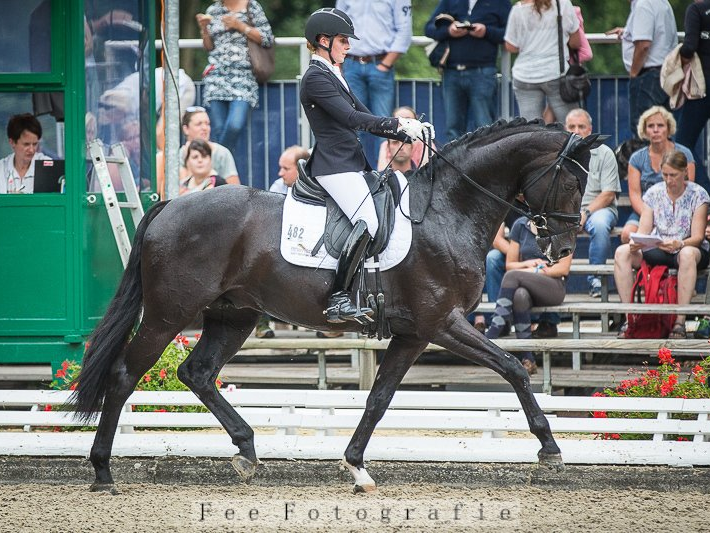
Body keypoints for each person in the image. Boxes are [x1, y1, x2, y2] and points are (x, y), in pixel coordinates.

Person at [301, 8, 428, 324]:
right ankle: (338, 297)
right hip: (334, 166)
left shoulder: (334, 73)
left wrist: (405, 130)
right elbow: (352, 119)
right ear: (324, 40)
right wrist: (398, 124)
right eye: (343, 40)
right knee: (367, 221)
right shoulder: (315, 77)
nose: (348, 47)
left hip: (350, 162)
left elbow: (365, 113)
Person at [614, 151, 709, 339]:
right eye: (665, 174)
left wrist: (679, 243)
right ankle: (629, 318)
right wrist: (636, 242)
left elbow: (698, 237)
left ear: (685, 172)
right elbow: (644, 229)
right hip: (658, 247)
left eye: (673, 175)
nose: (668, 180)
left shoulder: (698, 194)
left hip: (687, 247)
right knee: (621, 252)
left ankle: (679, 322)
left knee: (687, 254)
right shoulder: (653, 193)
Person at [485, 216, 573, 375]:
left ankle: (494, 329)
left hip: (553, 286)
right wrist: (527, 265)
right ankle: (528, 358)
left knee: (511, 277)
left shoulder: (562, 226)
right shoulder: (520, 224)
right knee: (519, 295)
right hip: (527, 283)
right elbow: (510, 264)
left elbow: (563, 269)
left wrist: (536, 271)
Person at [196, 0, 274, 166]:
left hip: (243, 75)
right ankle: (220, 172)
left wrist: (240, 26)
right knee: (218, 129)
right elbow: (209, 47)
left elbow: (267, 38)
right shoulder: (214, 9)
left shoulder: (251, 6)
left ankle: (214, 165)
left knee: (234, 125)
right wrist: (204, 29)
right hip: (216, 76)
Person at [336, 0, 412, 161]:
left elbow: (404, 30)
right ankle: (355, 171)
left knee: (385, 125)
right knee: (352, 123)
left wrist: (386, 64)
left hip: (380, 61)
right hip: (351, 63)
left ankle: (384, 172)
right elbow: (338, 26)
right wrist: (340, 62)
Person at [425, 0, 511, 141]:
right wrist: (449, 31)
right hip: (451, 72)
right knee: (453, 129)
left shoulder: (499, 2)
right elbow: (429, 29)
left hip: (483, 72)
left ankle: (486, 156)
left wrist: (486, 31)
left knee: (485, 128)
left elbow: (511, 34)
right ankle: (455, 156)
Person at [565, 109, 621, 297]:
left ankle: (596, 279)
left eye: (581, 126)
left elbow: (608, 194)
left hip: (599, 209)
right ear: (565, 129)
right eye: (572, 127)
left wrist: (585, 213)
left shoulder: (605, 153)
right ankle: (552, 279)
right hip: (568, 209)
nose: (576, 131)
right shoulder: (558, 154)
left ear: (590, 130)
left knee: (599, 224)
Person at [621, 106, 696, 244]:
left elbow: (689, 191)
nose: (655, 130)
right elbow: (635, 195)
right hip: (644, 211)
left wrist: (666, 217)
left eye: (660, 125)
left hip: (678, 212)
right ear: (644, 130)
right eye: (650, 126)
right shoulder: (636, 158)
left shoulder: (684, 154)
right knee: (627, 234)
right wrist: (650, 216)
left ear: (669, 128)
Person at [606, 0, 677, 138]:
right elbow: (657, 32)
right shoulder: (661, 2)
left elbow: (643, 45)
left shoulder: (643, 5)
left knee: (644, 131)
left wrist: (634, 73)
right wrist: (628, 33)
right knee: (662, 130)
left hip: (648, 76)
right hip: (663, 73)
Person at [504, 0, 581, 122]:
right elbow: (576, 42)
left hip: (525, 76)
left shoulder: (518, 10)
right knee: (570, 124)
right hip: (556, 72)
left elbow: (510, 46)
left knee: (531, 128)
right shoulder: (563, 4)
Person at [675, 0, 710, 185]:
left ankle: (704, 189)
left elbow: (689, 47)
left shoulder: (696, 9)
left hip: (702, 86)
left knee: (683, 143)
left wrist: (677, 61)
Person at [0, 113, 49, 194]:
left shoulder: (47, 167)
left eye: (35, 144)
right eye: (26, 144)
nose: (31, 150)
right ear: (12, 142)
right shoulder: (1, 168)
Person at [376, 106, 427, 171]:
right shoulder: (386, 143)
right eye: (400, 120)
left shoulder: (425, 143)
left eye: (408, 120)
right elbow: (381, 170)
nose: (404, 124)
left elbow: (427, 170)